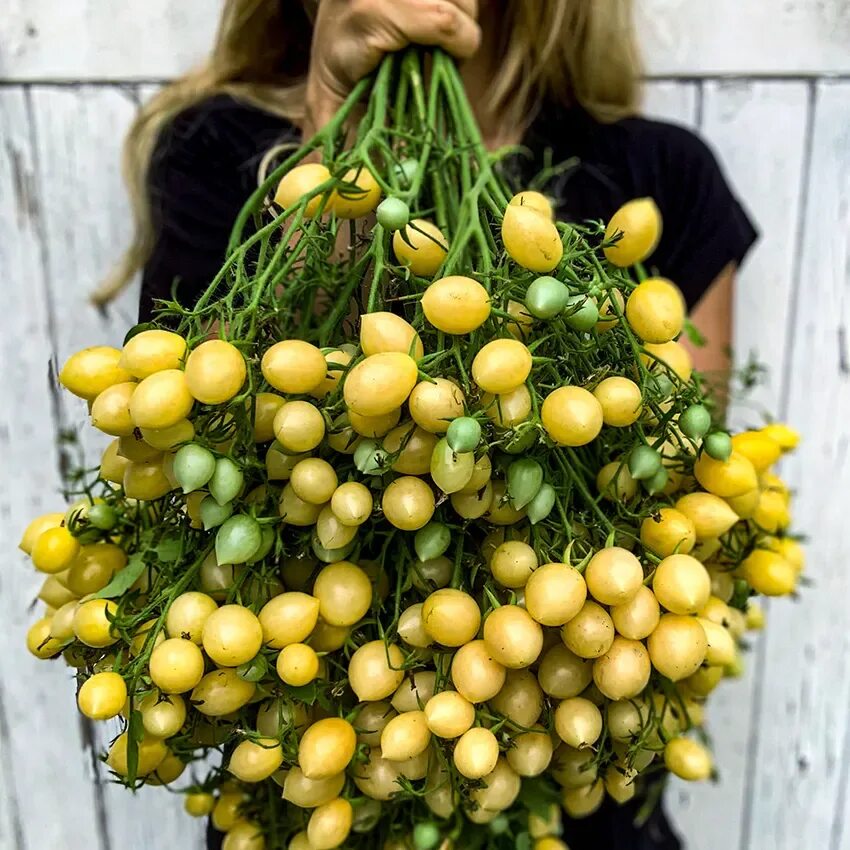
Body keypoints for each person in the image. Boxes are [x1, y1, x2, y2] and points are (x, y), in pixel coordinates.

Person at [96, 2, 757, 848]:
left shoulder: (661, 172)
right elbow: (198, 432)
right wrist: (335, 120)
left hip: (574, 794)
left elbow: (682, 474)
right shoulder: (216, 147)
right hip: (325, 795)